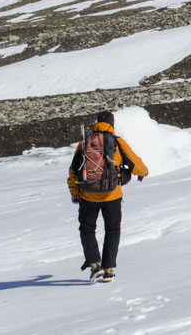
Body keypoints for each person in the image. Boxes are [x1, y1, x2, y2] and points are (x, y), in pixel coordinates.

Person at [67, 111, 148, 282]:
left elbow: (73, 170)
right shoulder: (116, 142)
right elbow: (136, 163)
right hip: (112, 196)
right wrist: (143, 173)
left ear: (96, 123)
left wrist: (75, 193)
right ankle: (109, 268)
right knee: (112, 230)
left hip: (88, 196)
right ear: (112, 124)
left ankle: (95, 264)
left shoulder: (85, 142)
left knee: (87, 229)